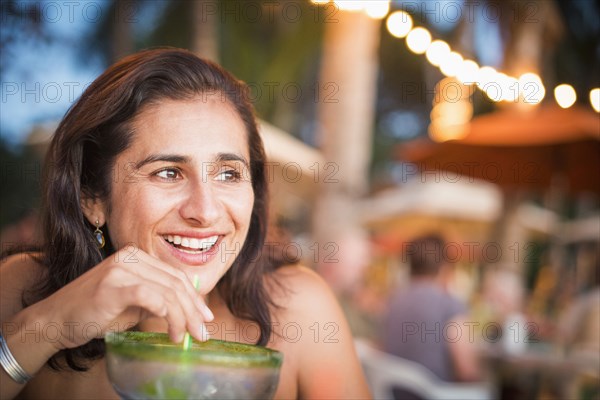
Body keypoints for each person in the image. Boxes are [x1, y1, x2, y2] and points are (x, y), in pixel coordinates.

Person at [0, 48, 370, 399]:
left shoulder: (300, 309)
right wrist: (50, 326)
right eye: (168, 173)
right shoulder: (24, 290)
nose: (205, 212)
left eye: (228, 174)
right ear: (92, 198)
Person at [383, 234, 480, 387]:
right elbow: (466, 371)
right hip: (435, 394)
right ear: (444, 267)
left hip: (392, 393)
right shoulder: (450, 305)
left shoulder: (393, 302)